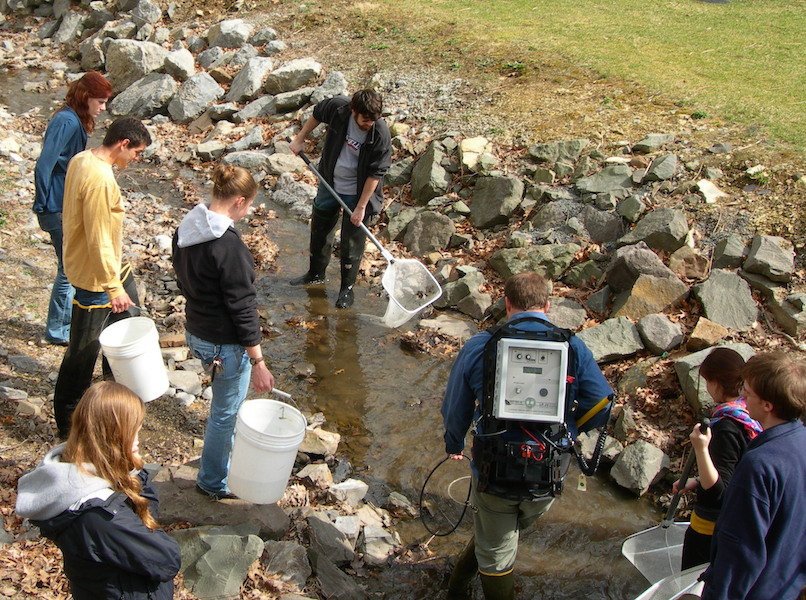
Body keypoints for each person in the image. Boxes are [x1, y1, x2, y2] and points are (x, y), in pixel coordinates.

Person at [441, 271, 613, 599]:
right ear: (547, 305)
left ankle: (459, 587)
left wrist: (455, 442)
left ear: (507, 303)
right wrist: (572, 429)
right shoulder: (572, 346)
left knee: (495, 546)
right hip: (547, 471)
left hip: (492, 469)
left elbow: (455, 406)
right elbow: (602, 403)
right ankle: (462, 580)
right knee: (501, 533)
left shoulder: (480, 344)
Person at [16, 381, 181, 600]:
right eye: (133, 433)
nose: (138, 442)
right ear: (112, 436)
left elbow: (147, 514)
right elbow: (166, 559)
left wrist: (131, 471)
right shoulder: (100, 518)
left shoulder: (82, 472)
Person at [172, 163, 275, 500]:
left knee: (222, 405)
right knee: (224, 414)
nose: (249, 211)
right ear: (239, 201)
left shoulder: (188, 225)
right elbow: (242, 307)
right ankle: (213, 480)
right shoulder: (228, 247)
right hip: (224, 344)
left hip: (196, 332)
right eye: (249, 205)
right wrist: (258, 361)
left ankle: (217, 465)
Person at [52, 116, 152, 439]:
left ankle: (117, 406)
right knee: (83, 353)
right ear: (123, 144)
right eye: (136, 153)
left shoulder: (83, 158)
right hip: (97, 276)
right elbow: (96, 236)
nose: (135, 160)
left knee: (125, 333)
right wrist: (113, 288)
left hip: (112, 264)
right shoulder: (100, 179)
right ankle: (68, 424)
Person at [699, 352, 806, 600]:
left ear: (768, 405)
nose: (743, 396)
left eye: (748, 392)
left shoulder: (759, 465)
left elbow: (739, 550)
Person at [288, 89, 392, 309]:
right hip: (330, 181)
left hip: (359, 191)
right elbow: (317, 113)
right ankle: (315, 274)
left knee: (351, 239)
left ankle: (347, 289)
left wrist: (361, 207)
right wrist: (300, 139)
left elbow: (376, 173)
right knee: (320, 227)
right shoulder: (338, 108)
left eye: (373, 120)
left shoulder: (380, 133)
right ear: (354, 111)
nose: (369, 124)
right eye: (365, 120)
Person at [32, 71, 113, 346]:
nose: (102, 109)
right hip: (54, 204)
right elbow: (44, 164)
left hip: (60, 202)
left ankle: (64, 325)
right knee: (68, 268)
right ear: (86, 97)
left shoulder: (72, 118)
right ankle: (59, 329)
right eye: (100, 102)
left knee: (69, 266)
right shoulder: (66, 121)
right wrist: (43, 204)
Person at [672, 347, 762, 569]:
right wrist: (696, 481)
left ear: (716, 383)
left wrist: (701, 449)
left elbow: (718, 493)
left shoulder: (726, 427)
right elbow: (734, 469)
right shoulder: (750, 415)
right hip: (740, 525)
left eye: (706, 382)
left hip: (711, 530)